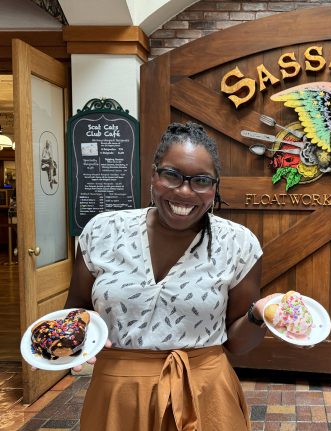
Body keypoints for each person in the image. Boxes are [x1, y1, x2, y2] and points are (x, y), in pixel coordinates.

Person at [65, 121, 273, 431]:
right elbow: (76, 310)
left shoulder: (238, 244)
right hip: (118, 395)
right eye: (171, 175)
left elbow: (237, 344)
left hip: (205, 395)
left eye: (201, 181)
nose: (185, 191)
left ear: (215, 187)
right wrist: (76, 342)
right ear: (153, 175)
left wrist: (259, 315)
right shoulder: (103, 232)